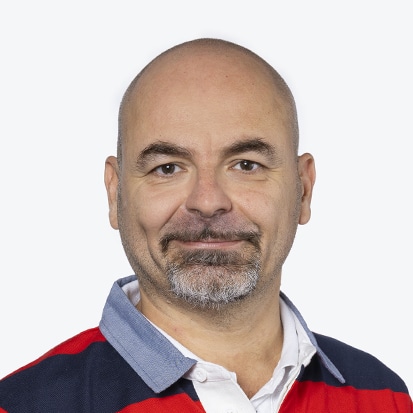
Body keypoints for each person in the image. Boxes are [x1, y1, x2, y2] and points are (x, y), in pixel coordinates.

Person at [0, 38, 411, 413]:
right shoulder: (22, 406)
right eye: (168, 168)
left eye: (246, 165)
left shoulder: (385, 397)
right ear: (115, 194)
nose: (208, 201)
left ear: (303, 190)